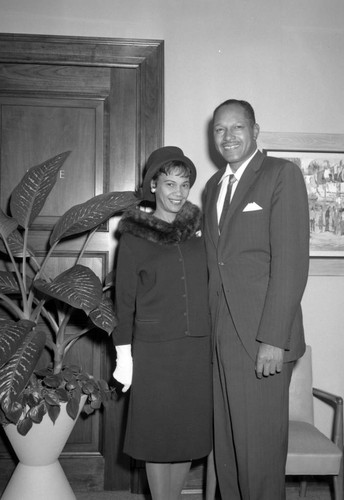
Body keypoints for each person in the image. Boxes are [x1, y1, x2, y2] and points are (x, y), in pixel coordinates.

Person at [203, 99, 310, 500]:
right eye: (219, 130)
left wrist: (273, 339)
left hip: (261, 339)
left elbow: (291, 263)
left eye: (237, 128)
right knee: (228, 454)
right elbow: (218, 264)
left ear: (255, 130)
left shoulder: (281, 174)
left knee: (260, 459)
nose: (228, 137)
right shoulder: (213, 186)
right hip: (221, 336)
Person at [112, 146, 213, 500]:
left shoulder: (200, 228)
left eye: (184, 184)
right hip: (154, 351)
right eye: (169, 183)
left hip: (196, 349)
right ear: (153, 185)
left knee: (186, 435)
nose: (178, 192)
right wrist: (124, 356)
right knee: (157, 438)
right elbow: (123, 300)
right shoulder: (135, 234)